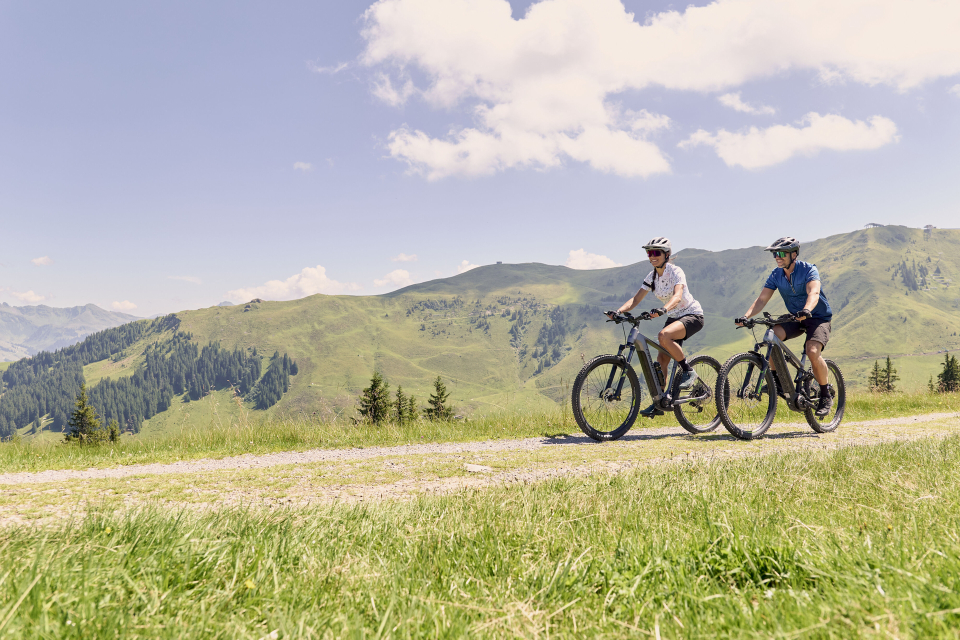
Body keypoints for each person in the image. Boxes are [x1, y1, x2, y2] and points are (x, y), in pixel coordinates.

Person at [735, 236, 834, 417]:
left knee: (812, 351)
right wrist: (746, 316)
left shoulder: (808, 269)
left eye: (781, 253)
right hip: (795, 318)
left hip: (817, 317)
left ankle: (825, 395)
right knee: (771, 335)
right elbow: (762, 299)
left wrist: (806, 309)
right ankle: (777, 381)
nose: (777, 257)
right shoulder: (776, 274)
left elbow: (814, 292)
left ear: (794, 254)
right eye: (775, 254)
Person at [608, 237, 705, 417]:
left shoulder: (675, 271)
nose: (652, 256)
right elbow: (636, 299)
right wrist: (618, 311)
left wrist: (663, 309)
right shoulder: (651, 277)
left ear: (666, 255)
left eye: (656, 252)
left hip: (692, 315)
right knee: (662, 360)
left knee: (663, 335)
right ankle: (660, 401)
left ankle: (688, 372)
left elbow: (677, 295)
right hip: (674, 317)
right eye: (649, 252)